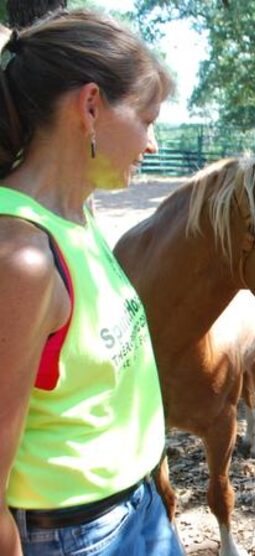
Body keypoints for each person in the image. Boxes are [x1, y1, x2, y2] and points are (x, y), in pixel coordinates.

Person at [0, 10, 184, 555]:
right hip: (77, 535)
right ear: (90, 106)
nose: (151, 143)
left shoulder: (77, 216)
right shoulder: (23, 256)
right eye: (147, 120)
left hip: (136, 507)